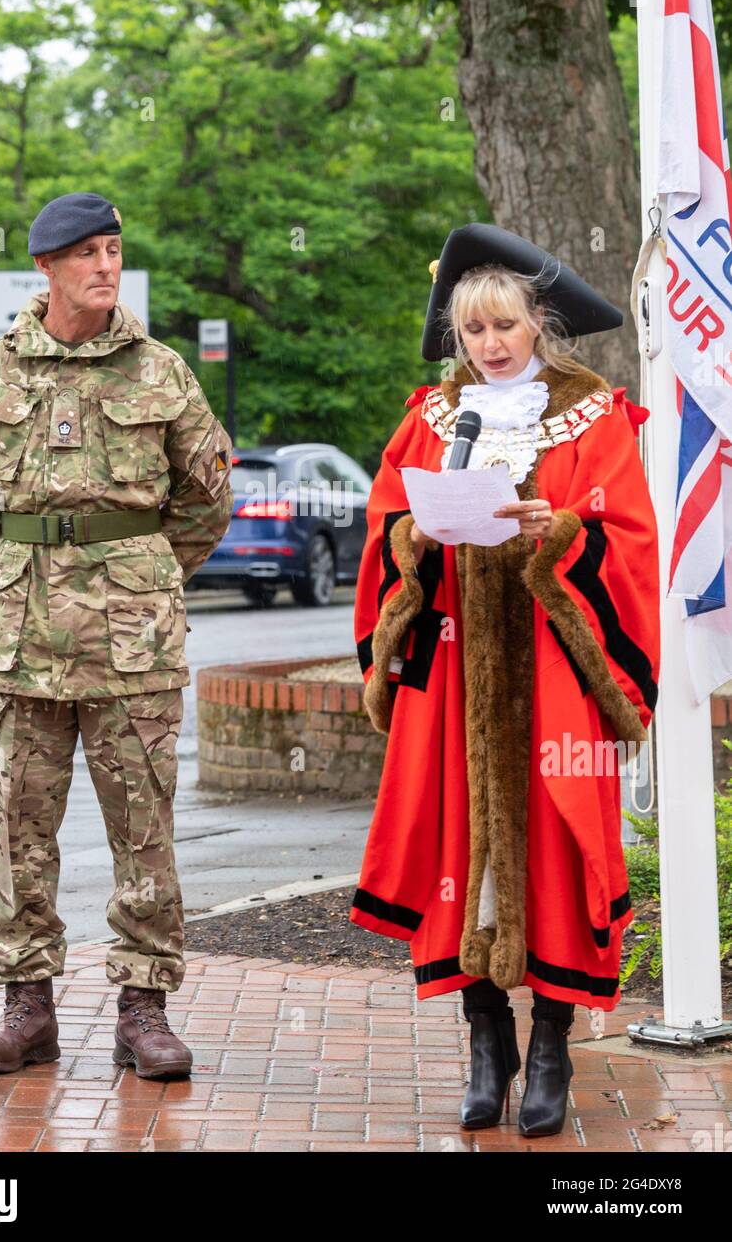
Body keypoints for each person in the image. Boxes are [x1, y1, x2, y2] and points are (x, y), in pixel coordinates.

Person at [349, 223, 661, 1137]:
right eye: (473, 330)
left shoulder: (595, 415)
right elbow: (384, 527)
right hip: (455, 670)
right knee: (460, 847)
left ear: (539, 325)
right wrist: (417, 540)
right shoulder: (432, 416)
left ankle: (554, 1050)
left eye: (505, 326)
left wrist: (555, 533)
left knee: (556, 843)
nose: (489, 345)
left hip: (555, 675)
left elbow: (628, 537)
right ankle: (488, 1049)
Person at [0, 191, 234, 1078]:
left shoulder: (161, 372)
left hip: (132, 640)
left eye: (113, 249)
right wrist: (14, 570)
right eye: (88, 253)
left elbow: (206, 495)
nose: (107, 266)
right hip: (19, 641)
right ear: (48, 268)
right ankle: (26, 1008)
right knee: (19, 828)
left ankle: (144, 1009)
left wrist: (140, 573)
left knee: (142, 825)